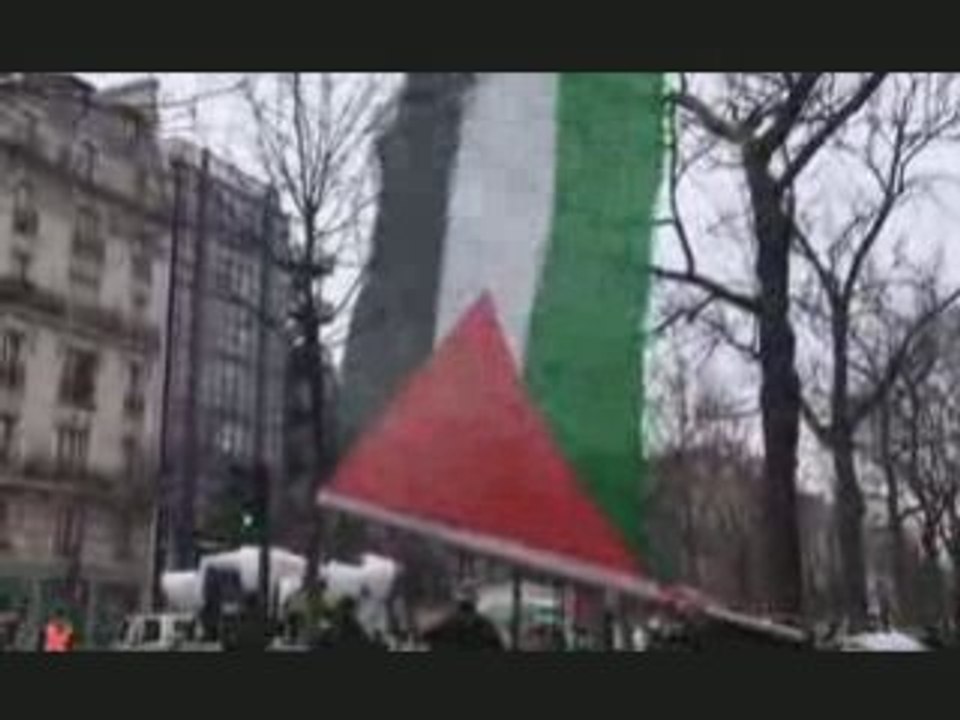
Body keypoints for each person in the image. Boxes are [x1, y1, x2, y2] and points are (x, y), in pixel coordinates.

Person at [422, 589, 504, 651]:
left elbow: (426, 637)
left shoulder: (447, 623)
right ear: (475, 602)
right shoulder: (485, 624)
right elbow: (499, 646)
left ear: (459, 603)